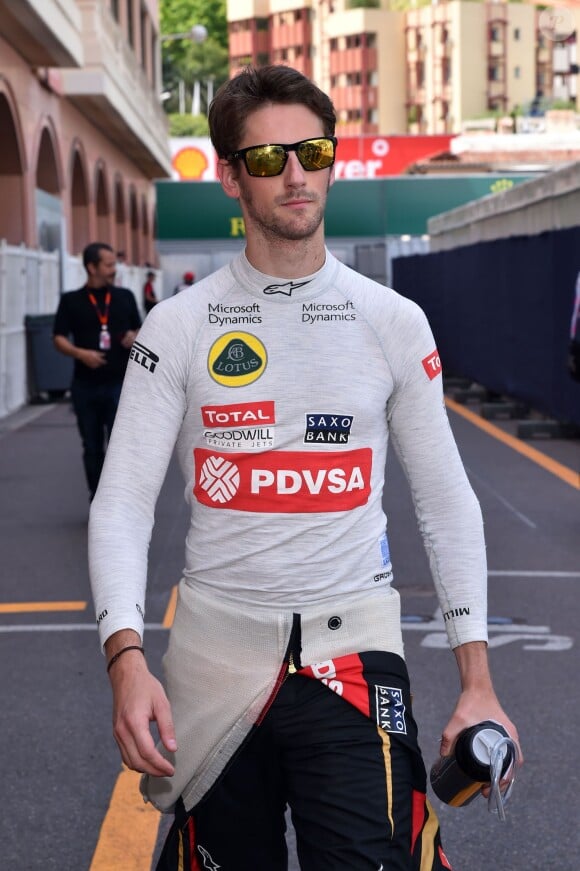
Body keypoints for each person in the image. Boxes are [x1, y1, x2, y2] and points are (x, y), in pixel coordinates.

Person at [89, 66, 521, 870]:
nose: (294, 174)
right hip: (215, 664)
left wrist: (478, 678)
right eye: (267, 159)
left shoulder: (394, 320)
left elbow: (447, 502)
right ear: (229, 178)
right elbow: (121, 504)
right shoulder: (178, 326)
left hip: (355, 654)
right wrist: (127, 660)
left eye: (312, 152)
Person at [53, 242, 141, 501]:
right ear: (91, 267)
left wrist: (134, 336)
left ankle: (120, 498)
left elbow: (140, 329)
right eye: (109, 264)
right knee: (91, 446)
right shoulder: (71, 301)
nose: (115, 269)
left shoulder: (125, 297)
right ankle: (98, 496)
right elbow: (58, 337)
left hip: (120, 384)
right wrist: (81, 353)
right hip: (85, 386)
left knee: (119, 445)